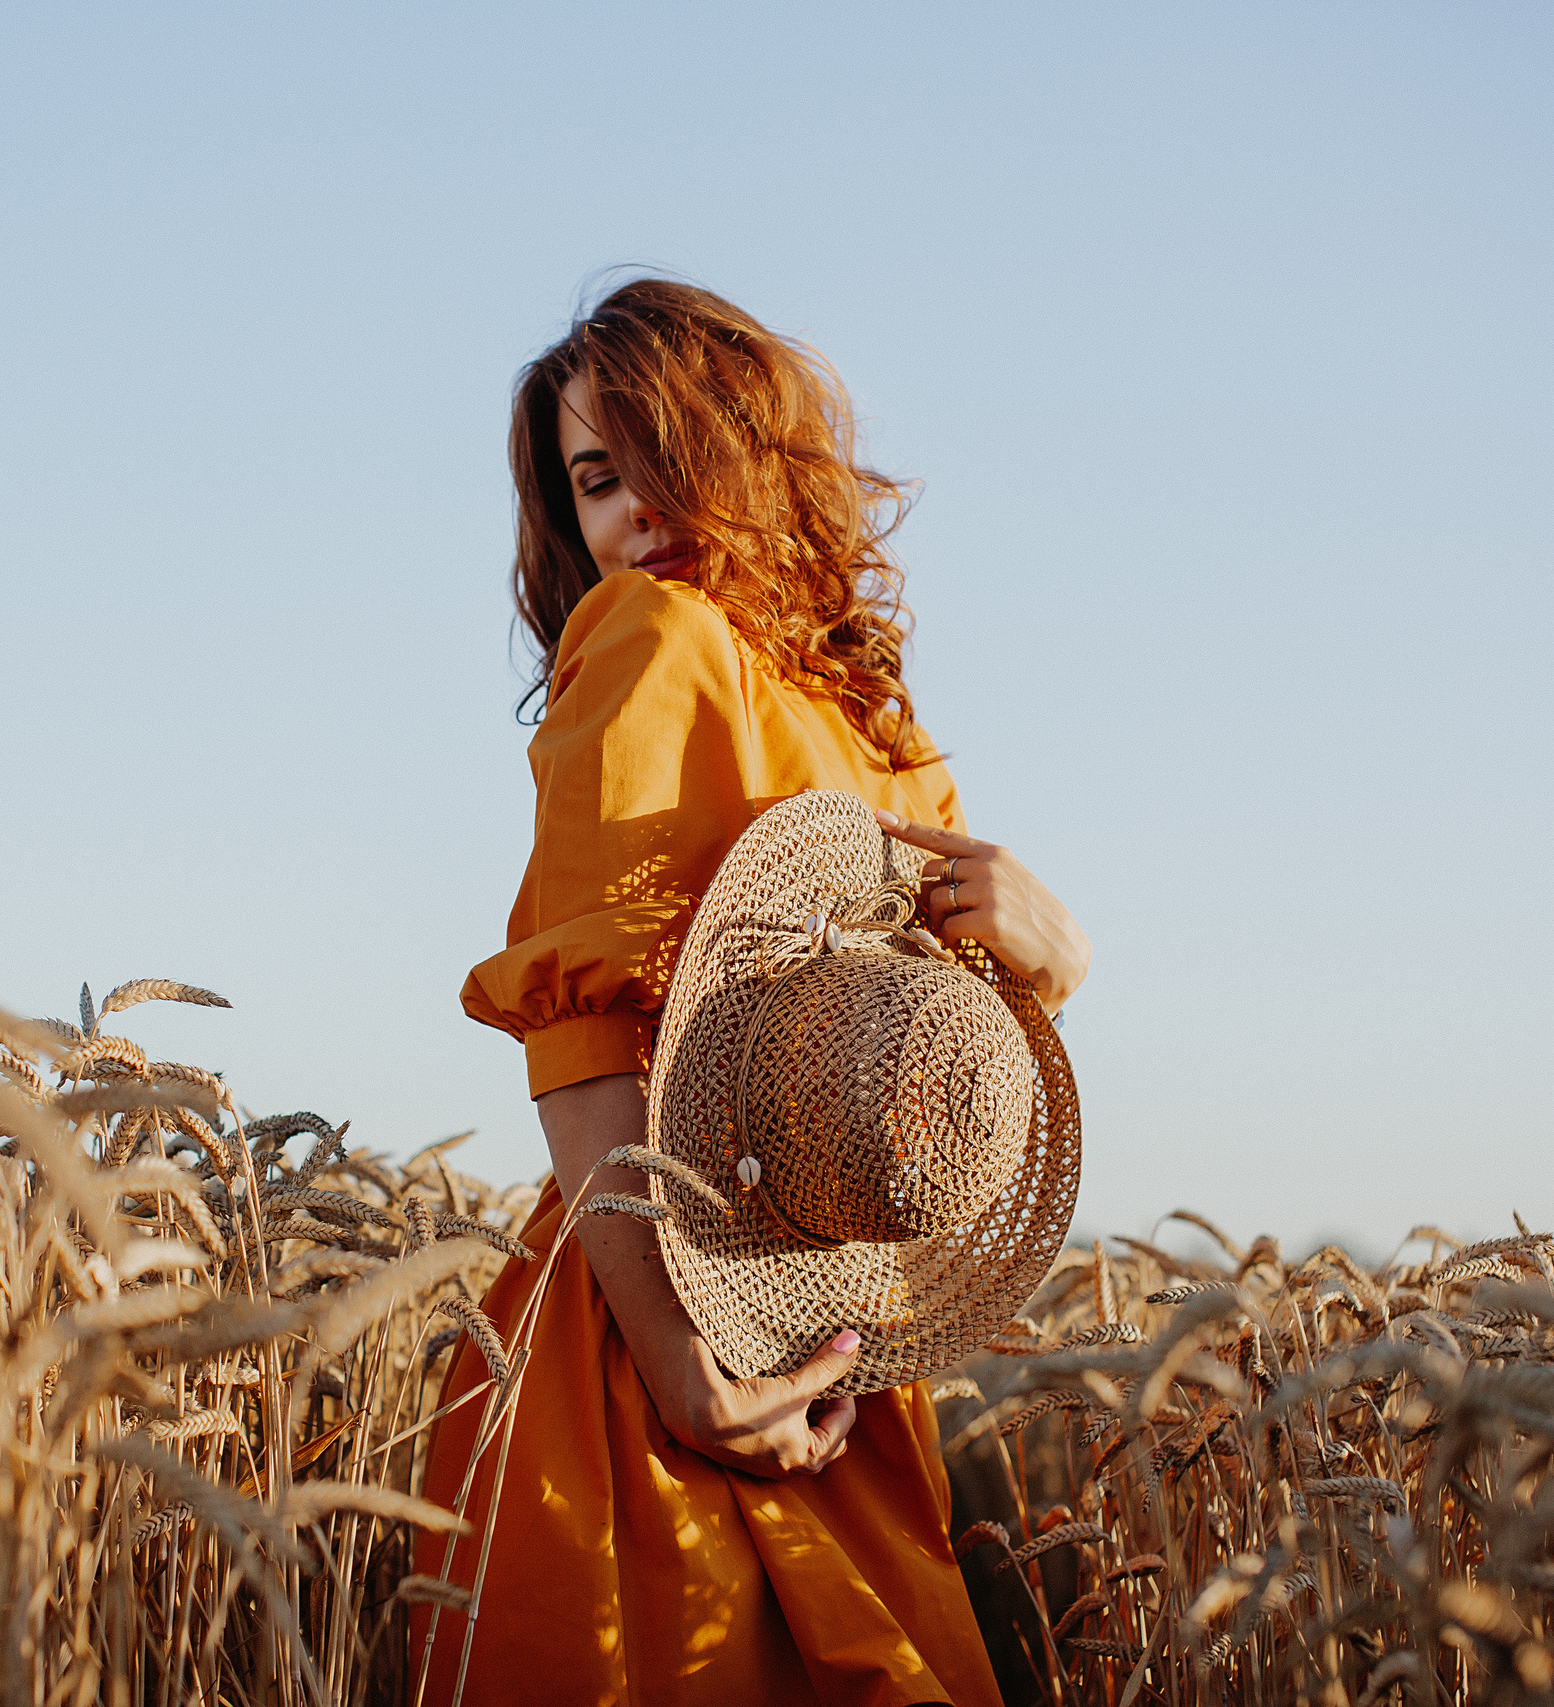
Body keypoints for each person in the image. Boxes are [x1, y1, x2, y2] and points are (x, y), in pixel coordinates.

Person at [412, 279, 1092, 1706]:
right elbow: (584, 1026)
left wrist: (1053, 954)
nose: (631, 513)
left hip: (844, 1314)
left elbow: (932, 1064)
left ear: (750, 449)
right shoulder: (649, 638)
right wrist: (676, 1361)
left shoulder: (868, 723)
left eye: (660, 455)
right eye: (594, 481)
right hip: (654, 1301)